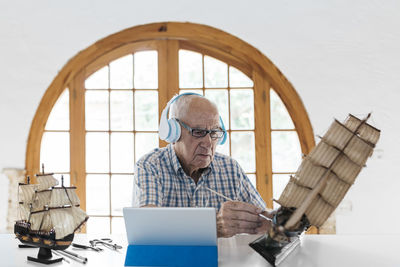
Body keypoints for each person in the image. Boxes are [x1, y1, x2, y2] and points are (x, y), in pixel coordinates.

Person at [132, 93, 273, 237]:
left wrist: (275, 220)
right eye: (198, 132)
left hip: (222, 260)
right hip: (168, 260)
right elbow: (148, 229)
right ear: (173, 133)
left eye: (214, 132)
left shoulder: (230, 168)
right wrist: (212, 227)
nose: (208, 143)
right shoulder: (150, 166)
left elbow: (263, 219)